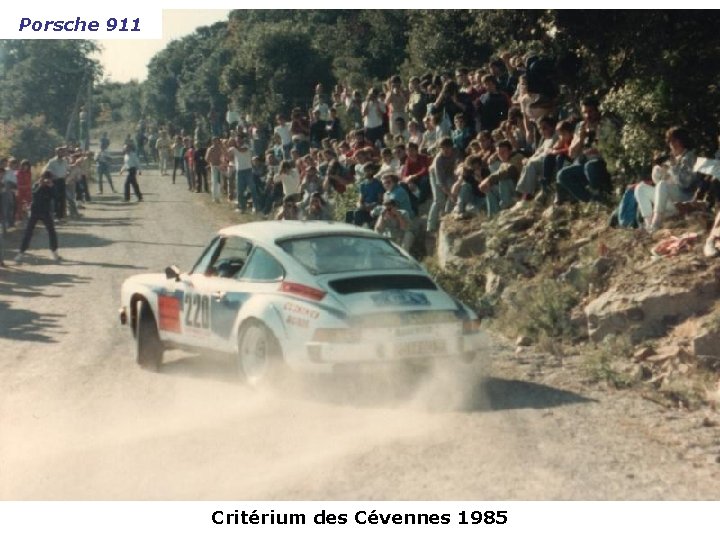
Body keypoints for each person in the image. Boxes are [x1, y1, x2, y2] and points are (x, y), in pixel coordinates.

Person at [635, 127, 698, 231]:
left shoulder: (689, 157)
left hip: (684, 200)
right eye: (669, 142)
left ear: (680, 141)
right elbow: (659, 182)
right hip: (669, 200)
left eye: (672, 141)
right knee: (640, 188)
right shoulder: (673, 158)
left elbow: (685, 184)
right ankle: (649, 225)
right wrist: (659, 172)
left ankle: (655, 224)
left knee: (662, 185)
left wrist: (672, 168)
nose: (671, 144)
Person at [15, 171, 61, 263]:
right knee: (28, 233)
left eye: (48, 178)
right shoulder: (36, 185)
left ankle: (54, 252)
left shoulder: (51, 186)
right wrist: (40, 185)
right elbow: (34, 194)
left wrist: (51, 186)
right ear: (41, 177)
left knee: (52, 232)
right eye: (44, 177)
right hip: (35, 212)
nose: (46, 180)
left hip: (46, 212)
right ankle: (21, 253)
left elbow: (57, 197)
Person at [43, 147, 69, 220]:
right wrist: (52, 176)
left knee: (62, 198)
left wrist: (66, 175)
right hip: (55, 181)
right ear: (56, 153)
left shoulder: (65, 161)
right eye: (59, 152)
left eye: (62, 152)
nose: (61, 153)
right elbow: (47, 169)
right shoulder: (52, 161)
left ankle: (61, 216)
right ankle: (55, 215)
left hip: (62, 180)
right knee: (56, 198)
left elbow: (68, 169)